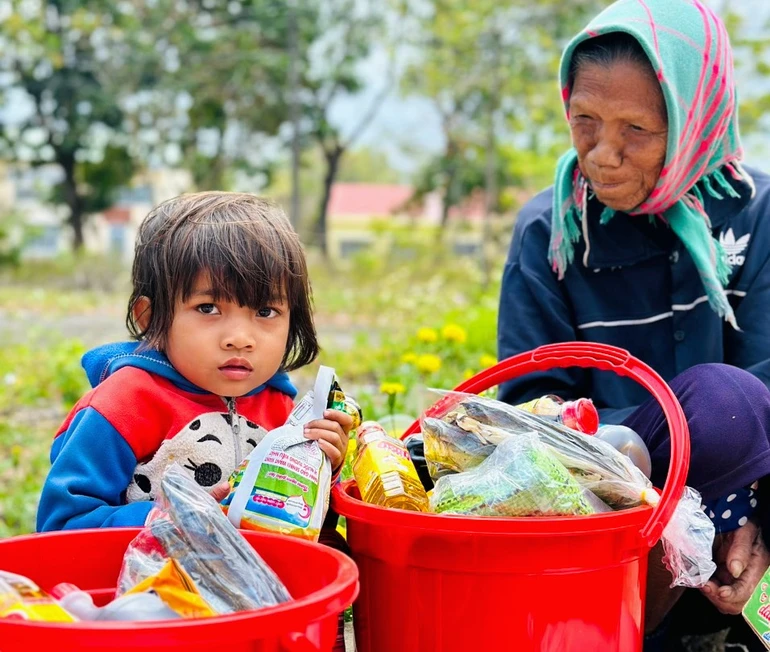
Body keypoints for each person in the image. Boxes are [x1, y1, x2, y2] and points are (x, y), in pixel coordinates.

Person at [497, 1, 770, 649]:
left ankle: (711, 587)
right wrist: (656, 476)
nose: (603, 154)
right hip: (603, 493)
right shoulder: (550, 233)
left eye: (637, 130)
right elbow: (531, 409)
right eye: (584, 121)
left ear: (694, 120)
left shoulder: (756, 214)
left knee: (734, 410)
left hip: (744, 482)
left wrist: (752, 515)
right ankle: (613, 626)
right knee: (711, 409)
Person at [36, 192, 353, 648]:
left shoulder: (282, 409)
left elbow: (297, 536)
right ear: (151, 317)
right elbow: (61, 527)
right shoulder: (124, 406)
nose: (240, 338)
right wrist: (175, 519)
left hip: (252, 622)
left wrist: (323, 471)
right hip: (151, 621)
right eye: (208, 309)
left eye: (266, 312)